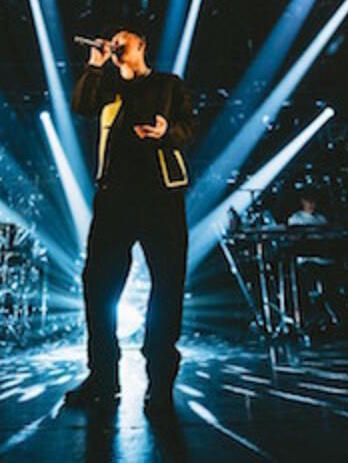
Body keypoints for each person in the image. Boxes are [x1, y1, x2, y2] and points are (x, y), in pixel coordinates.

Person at [65, 28, 197, 415]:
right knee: (98, 283)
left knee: (167, 283)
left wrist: (167, 132)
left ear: (141, 46)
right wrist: (95, 67)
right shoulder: (107, 85)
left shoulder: (168, 84)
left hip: (161, 195)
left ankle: (160, 381)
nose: (116, 42)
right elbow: (81, 106)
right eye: (114, 39)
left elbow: (190, 127)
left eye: (125, 39)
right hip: (115, 196)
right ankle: (102, 377)